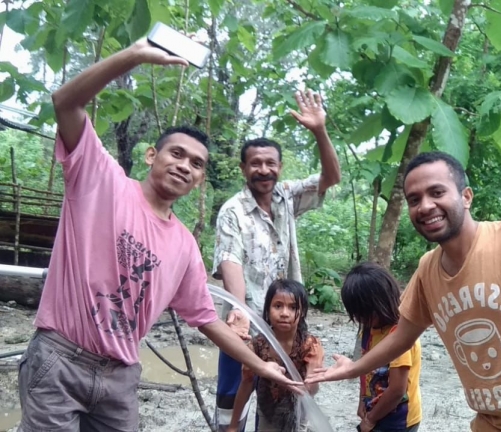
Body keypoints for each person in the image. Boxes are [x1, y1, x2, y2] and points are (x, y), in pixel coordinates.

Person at [16, 38, 303, 432]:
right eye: (177, 154)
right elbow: (65, 101)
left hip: (120, 376)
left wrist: (261, 364)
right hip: (60, 360)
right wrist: (135, 55)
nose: (185, 166)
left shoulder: (184, 244)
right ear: (152, 155)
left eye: (197, 164)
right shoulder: (101, 181)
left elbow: (207, 319)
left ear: (202, 179)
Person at [307, 151, 501, 431]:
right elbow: (400, 337)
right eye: (414, 200)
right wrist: (353, 369)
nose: (425, 206)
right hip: (493, 425)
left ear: (466, 196)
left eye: (437, 192)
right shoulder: (428, 271)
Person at [212, 89, 341, 430]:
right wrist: (238, 314)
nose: (264, 170)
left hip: (287, 321)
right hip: (248, 326)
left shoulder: (286, 197)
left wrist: (319, 131)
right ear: (244, 168)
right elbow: (230, 263)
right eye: (256, 163)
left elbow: (331, 178)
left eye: (270, 163)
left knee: (289, 397)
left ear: (280, 167)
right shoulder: (233, 212)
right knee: (233, 396)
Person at [226, 279, 323, 432]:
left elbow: (311, 388)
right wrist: (233, 425)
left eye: (293, 307)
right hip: (267, 408)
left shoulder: (309, 346)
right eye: (278, 306)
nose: (284, 313)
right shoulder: (258, 345)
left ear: (302, 313)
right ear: (268, 309)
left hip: (298, 409)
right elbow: (246, 383)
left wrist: (310, 381)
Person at [341, 262, 422, 432]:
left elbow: (397, 390)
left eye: (365, 313)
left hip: (400, 419)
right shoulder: (369, 330)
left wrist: (370, 420)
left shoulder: (400, 336)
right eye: (357, 314)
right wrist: (363, 399)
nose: (361, 319)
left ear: (382, 303)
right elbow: (366, 369)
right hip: (377, 410)